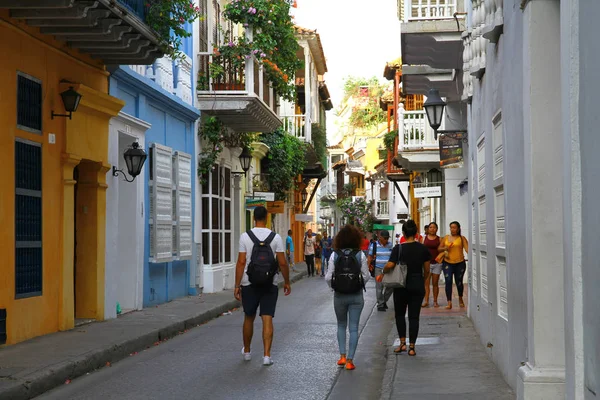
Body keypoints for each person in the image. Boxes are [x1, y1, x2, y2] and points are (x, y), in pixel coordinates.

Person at [234, 206, 291, 366]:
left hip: (248, 282)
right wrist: (286, 281)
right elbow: (282, 262)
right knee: (267, 318)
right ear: (266, 218)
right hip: (269, 282)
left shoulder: (245, 237)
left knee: (248, 317)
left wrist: (237, 285)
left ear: (254, 218)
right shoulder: (276, 237)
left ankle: (246, 351)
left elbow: (241, 262)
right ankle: (266, 355)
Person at [380, 220, 431, 356]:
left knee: (400, 315)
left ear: (403, 233)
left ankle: (402, 343)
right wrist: (421, 280)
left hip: (401, 285)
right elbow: (427, 270)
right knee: (414, 317)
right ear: (415, 233)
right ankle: (412, 347)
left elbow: (390, 265)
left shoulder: (399, 248)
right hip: (417, 284)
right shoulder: (423, 248)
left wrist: (383, 271)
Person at [325, 224, 370, 370]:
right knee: (354, 328)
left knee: (341, 325)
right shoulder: (360, 254)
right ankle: (350, 360)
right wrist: (357, 284)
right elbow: (366, 275)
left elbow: (328, 276)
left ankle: (342, 356)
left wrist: (335, 287)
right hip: (356, 296)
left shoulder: (335, 254)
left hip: (340, 296)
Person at [438, 221, 469, 309]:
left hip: (460, 263)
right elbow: (439, 248)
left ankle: (460, 298)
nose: (452, 229)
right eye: (451, 227)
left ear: (458, 228)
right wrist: (444, 248)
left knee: (459, 282)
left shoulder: (462, 238)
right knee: (448, 281)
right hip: (447, 263)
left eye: (454, 227)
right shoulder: (446, 238)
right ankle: (449, 302)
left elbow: (468, 249)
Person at [367, 230, 394, 311]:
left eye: (387, 238)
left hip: (388, 269)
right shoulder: (374, 245)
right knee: (379, 287)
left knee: (390, 286)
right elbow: (370, 257)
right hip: (378, 269)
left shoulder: (390, 245)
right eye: (384, 238)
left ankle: (383, 301)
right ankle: (380, 304)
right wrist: (368, 267)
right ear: (380, 237)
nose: (386, 240)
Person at [422, 222, 442, 308]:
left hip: (437, 263)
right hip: (427, 263)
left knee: (435, 283)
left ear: (437, 229)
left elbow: (442, 250)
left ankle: (435, 301)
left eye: (434, 227)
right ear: (428, 229)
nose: (432, 229)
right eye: (430, 227)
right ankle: (426, 301)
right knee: (426, 284)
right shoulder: (423, 238)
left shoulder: (440, 239)